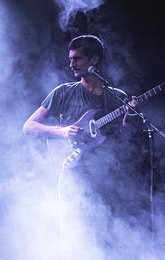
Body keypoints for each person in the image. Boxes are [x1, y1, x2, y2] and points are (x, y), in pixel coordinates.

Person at [23, 34, 145, 247]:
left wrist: (130, 117)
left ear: (94, 60)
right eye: (70, 59)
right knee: (75, 239)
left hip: (109, 179)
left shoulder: (116, 97)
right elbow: (29, 126)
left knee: (111, 240)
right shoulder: (63, 92)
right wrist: (61, 132)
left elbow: (124, 139)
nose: (71, 64)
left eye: (77, 59)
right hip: (74, 176)